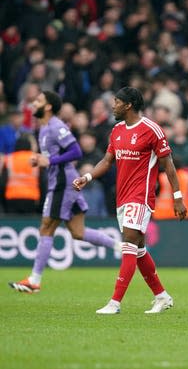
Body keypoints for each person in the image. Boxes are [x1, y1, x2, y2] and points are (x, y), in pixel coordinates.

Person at [73, 87, 187, 314]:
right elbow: (107, 161)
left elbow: (169, 166)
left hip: (141, 196)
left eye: (116, 102)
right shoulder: (116, 130)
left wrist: (177, 196)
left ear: (129, 105)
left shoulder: (152, 129)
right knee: (139, 249)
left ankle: (114, 303)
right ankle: (162, 296)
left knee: (128, 244)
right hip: (122, 197)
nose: (112, 106)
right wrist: (87, 177)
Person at [9, 91, 118, 294]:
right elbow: (55, 155)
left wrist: (49, 161)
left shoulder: (55, 126)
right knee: (78, 232)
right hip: (63, 181)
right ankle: (122, 247)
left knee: (46, 227)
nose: (34, 103)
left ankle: (34, 280)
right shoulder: (43, 129)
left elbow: (76, 151)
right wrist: (42, 159)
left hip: (62, 183)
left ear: (48, 106)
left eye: (39, 100)